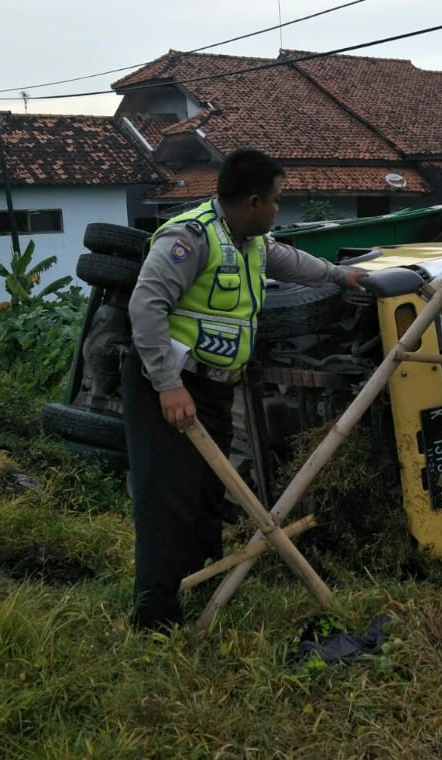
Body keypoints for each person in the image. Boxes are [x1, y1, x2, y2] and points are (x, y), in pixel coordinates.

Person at [122, 148, 367, 629]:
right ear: (254, 201)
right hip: (166, 387)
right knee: (166, 499)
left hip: (211, 388)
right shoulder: (189, 239)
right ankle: (154, 619)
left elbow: (293, 263)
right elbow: (145, 307)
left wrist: (342, 275)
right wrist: (168, 386)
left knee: (208, 494)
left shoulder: (249, 241)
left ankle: (204, 582)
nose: (279, 207)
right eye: (276, 200)